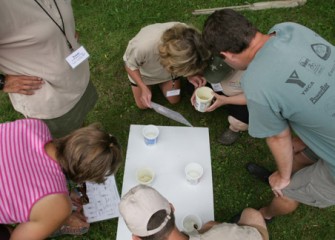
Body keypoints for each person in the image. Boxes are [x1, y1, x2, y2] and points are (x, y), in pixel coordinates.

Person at [202, 9, 335, 221]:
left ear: (226, 55)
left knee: (287, 191)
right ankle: (287, 172)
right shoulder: (289, 29)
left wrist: (283, 178)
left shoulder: (256, 81)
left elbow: (277, 136)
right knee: (296, 151)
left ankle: (265, 214)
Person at [0, 118, 122, 239]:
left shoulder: (35, 125)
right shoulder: (59, 204)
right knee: (8, 233)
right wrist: (57, 217)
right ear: (84, 177)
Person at [0, 0, 98, 138]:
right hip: (49, 99)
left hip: (76, 76)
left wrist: (64, 30)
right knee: (64, 150)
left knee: (80, 129)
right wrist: (2, 82)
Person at [119, 185, 269, 240]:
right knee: (252, 214)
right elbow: (260, 236)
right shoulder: (224, 234)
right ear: (171, 207)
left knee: (210, 225)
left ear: (136, 239)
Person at [123, 22, 210, 109]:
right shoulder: (142, 47)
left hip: (169, 75)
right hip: (145, 75)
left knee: (174, 100)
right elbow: (129, 66)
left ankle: (163, 82)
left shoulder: (189, 38)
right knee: (143, 105)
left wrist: (190, 75)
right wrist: (143, 87)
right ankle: (151, 84)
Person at [190, 55, 248, 145]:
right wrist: (199, 87)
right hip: (220, 86)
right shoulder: (217, 51)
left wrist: (226, 100)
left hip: (242, 97)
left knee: (238, 122)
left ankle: (234, 129)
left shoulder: (254, 71)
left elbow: (254, 97)